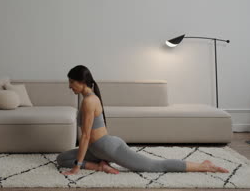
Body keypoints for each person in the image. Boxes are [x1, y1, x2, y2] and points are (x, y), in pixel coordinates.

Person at [57, 65, 229, 175]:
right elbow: (87, 138)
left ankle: (204, 166)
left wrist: (77, 167)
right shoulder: (88, 98)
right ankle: (101, 166)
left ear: (81, 82)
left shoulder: (89, 101)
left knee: (154, 166)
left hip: (108, 147)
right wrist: (79, 161)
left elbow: (86, 136)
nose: (69, 86)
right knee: (62, 159)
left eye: (72, 82)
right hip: (96, 150)